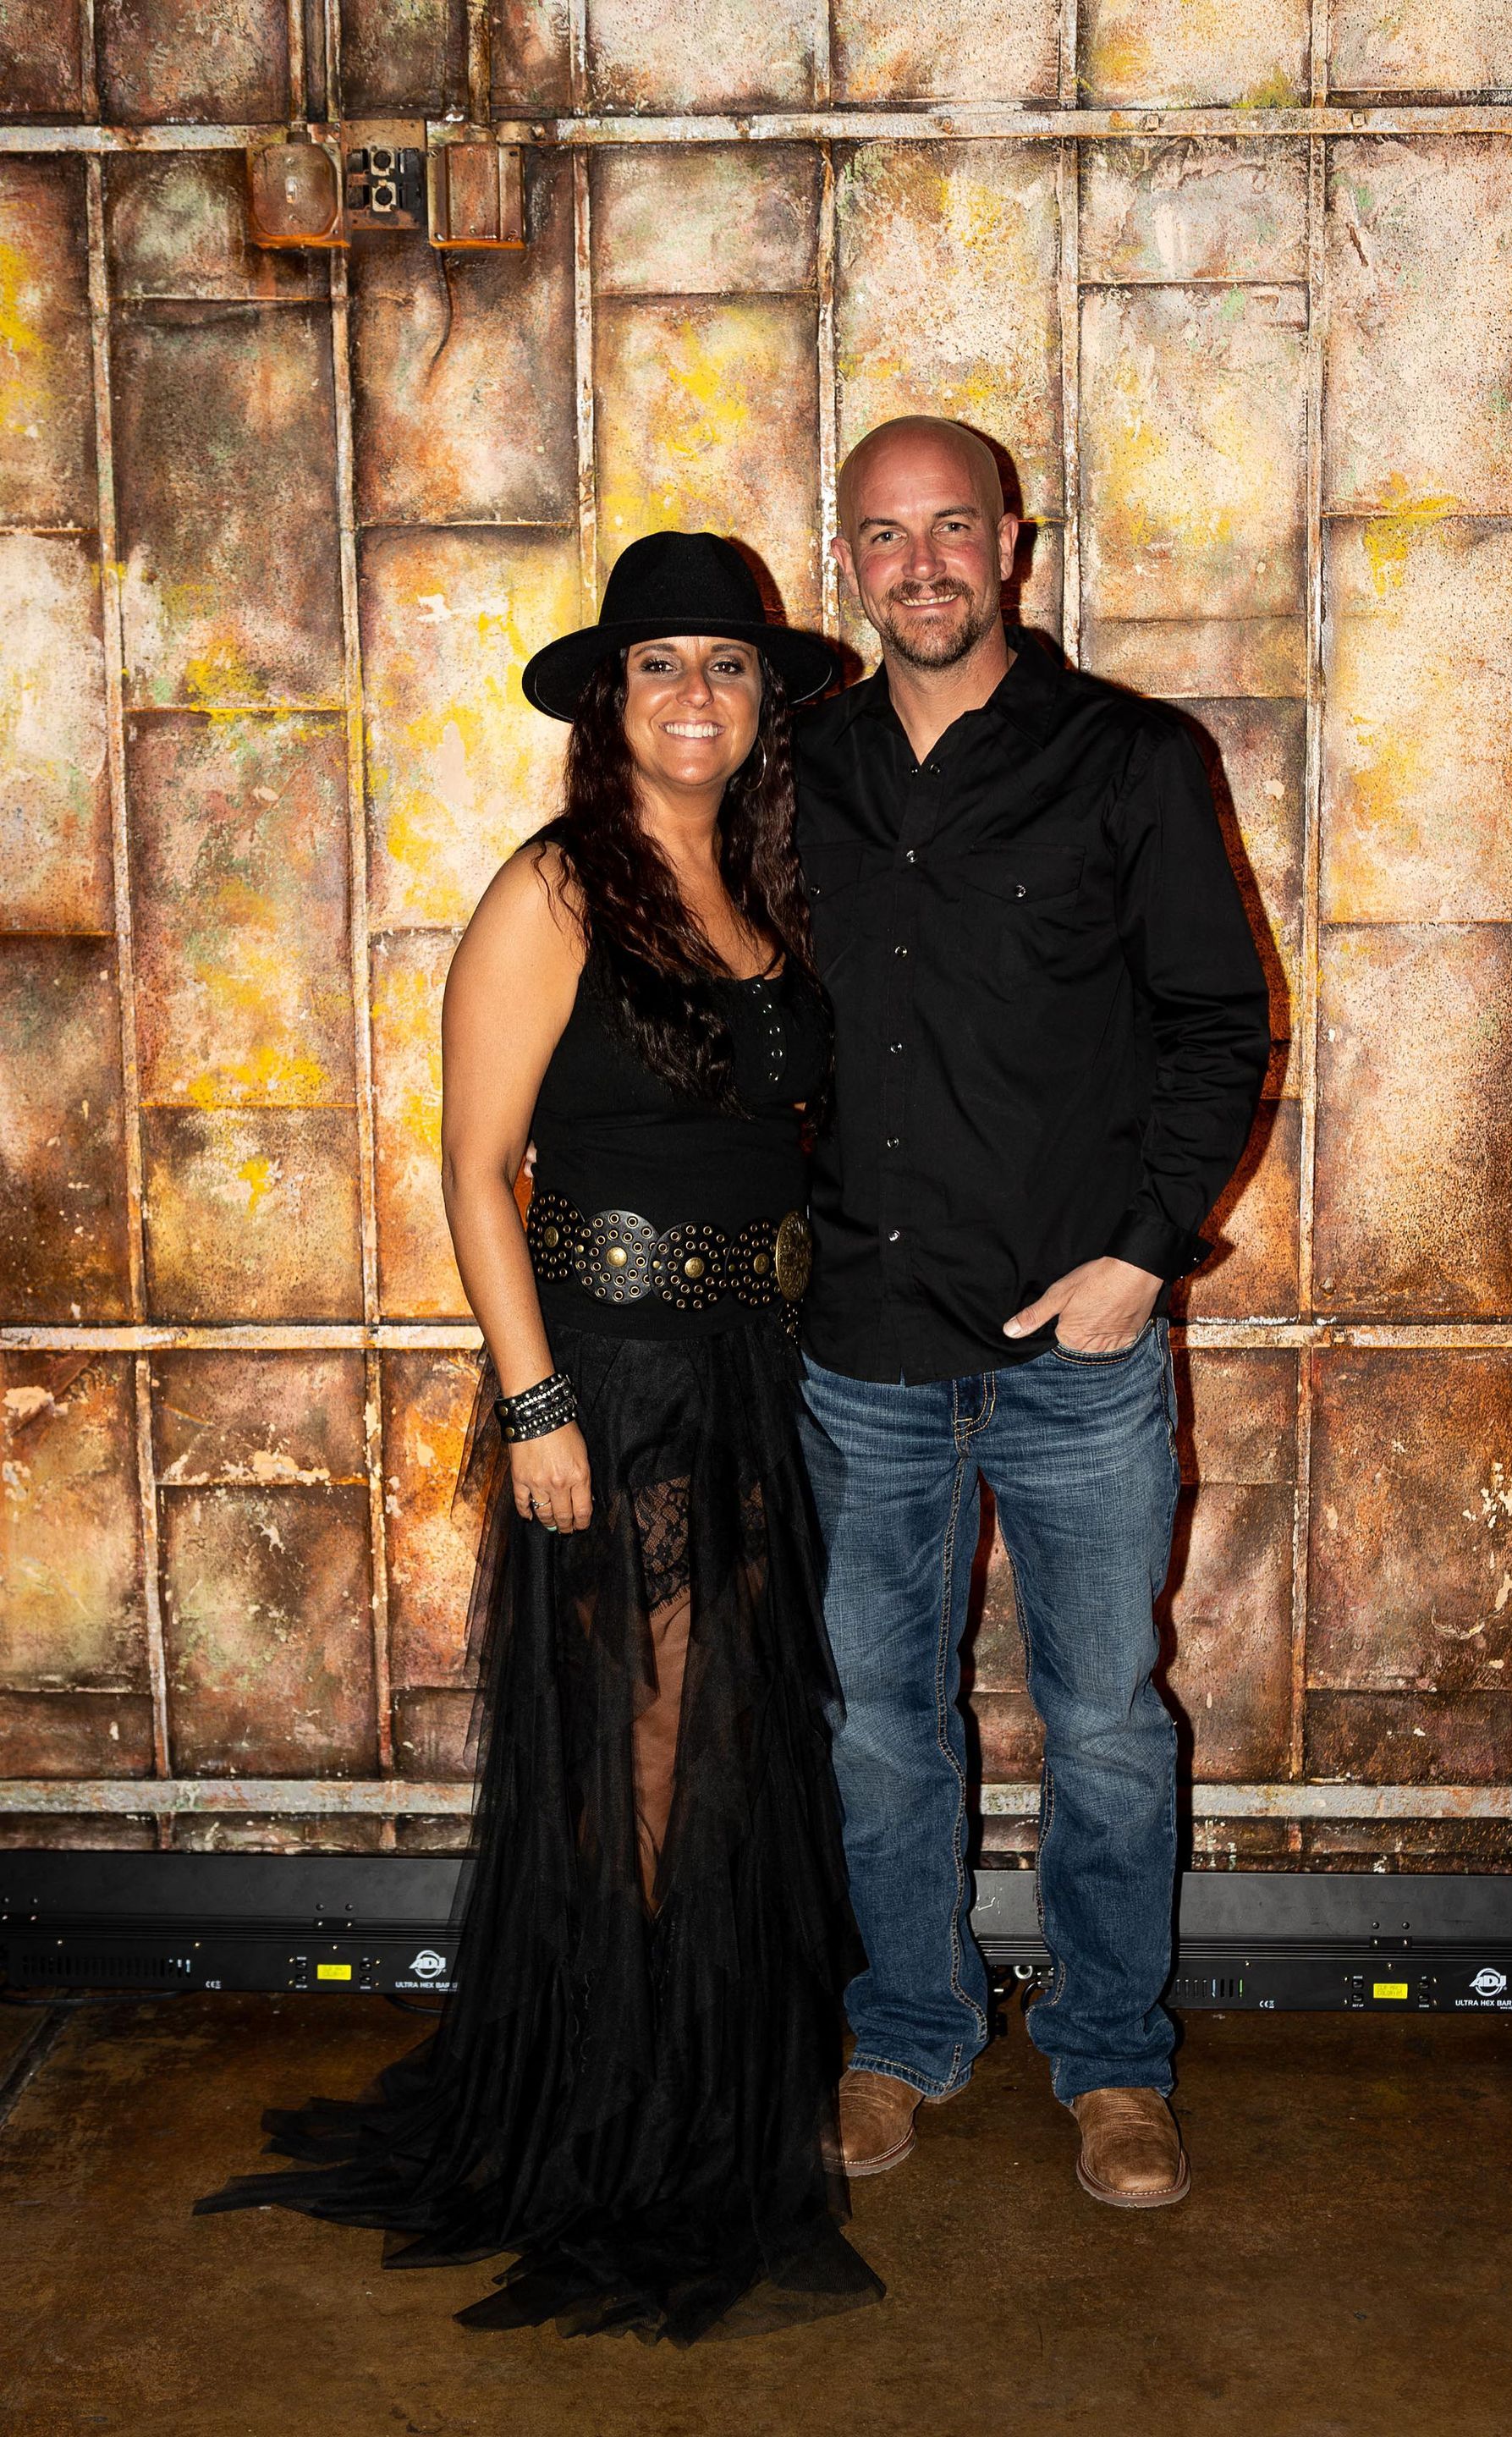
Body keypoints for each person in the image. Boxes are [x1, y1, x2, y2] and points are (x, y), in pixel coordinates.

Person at [197, 532, 882, 2341]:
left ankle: (704, 2085)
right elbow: (474, 1170)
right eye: (659, 664)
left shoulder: (768, 883)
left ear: (765, 703)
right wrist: (537, 1403)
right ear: (608, 698)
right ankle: (623, 2109)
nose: (694, 695)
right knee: (645, 1739)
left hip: (759, 1363)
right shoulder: (556, 889)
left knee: (729, 1723)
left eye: (726, 666)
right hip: (615, 1372)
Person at [794, 416, 1271, 2207]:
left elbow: (1224, 1024)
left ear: (1015, 545)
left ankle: (1115, 2064)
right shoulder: (803, 771)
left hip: (1079, 1355)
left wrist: (1144, 1256)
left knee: (1111, 1723)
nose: (919, 563)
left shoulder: (1132, 759)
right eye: (882, 534)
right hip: (863, 1349)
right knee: (877, 1725)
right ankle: (901, 2033)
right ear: (849, 560)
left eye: (951, 528)